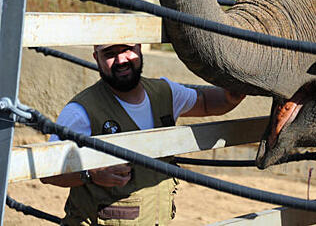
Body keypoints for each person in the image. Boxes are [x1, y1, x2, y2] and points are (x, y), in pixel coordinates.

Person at [41, 43, 245, 225]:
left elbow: (208, 103)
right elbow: (48, 173)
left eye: (127, 50)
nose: (121, 60)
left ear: (139, 48)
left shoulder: (165, 93)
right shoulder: (82, 110)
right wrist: (89, 174)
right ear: (96, 58)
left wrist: (234, 93)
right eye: (110, 53)